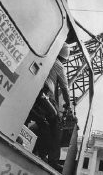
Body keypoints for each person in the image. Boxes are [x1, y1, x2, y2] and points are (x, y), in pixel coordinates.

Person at [31, 43, 71, 171]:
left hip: (33, 88)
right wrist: (69, 104)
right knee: (57, 123)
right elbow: (65, 88)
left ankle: (40, 152)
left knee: (43, 124)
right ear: (64, 58)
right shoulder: (59, 65)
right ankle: (53, 160)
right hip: (44, 94)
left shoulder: (47, 54)